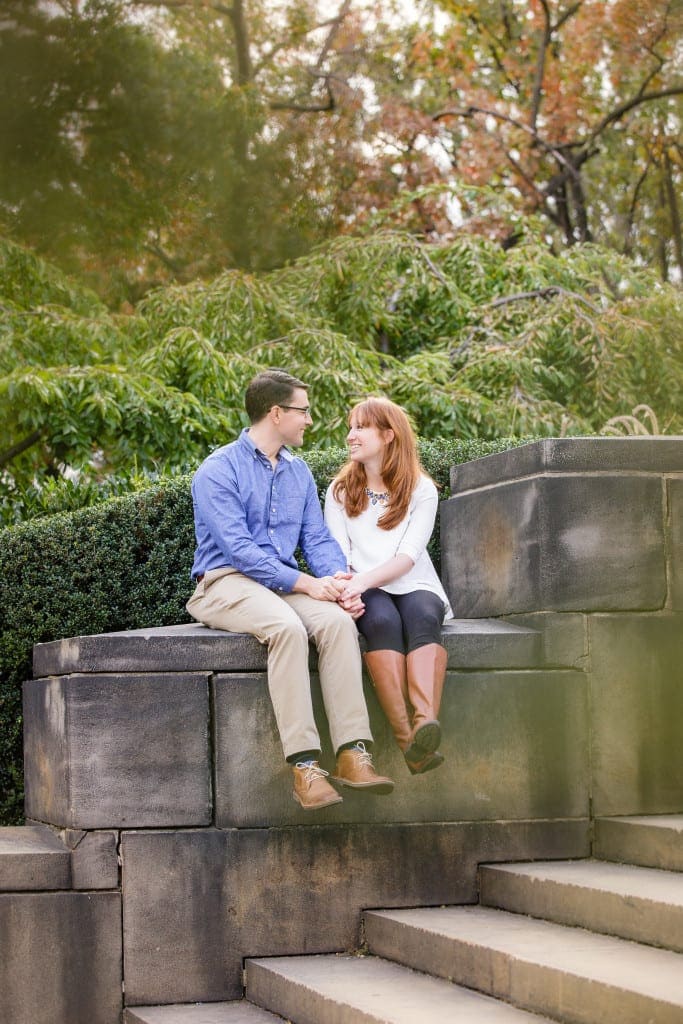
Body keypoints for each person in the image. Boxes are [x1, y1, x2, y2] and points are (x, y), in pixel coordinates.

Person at [186, 369, 394, 812]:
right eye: (303, 410)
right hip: (224, 583)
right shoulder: (218, 470)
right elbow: (238, 550)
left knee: (338, 623)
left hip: (279, 584)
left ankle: (353, 753)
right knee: (287, 629)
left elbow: (316, 540)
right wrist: (305, 583)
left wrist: (342, 584)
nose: (310, 420)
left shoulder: (298, 473)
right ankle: (304, 766)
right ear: (276, 413)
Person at [324, 396, 451, 775]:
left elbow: (408, 556)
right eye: (350, 426)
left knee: (425, 615)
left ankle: (425, 720)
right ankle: (409, 742)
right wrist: (350, 588)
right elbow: (338, 553)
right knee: (381, 623)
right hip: (363, 587)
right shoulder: (340, 490)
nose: (351, 435)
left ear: (389, 435)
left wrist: (359, 582)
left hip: (413, 580)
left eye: (360, 427)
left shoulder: (422, 489)